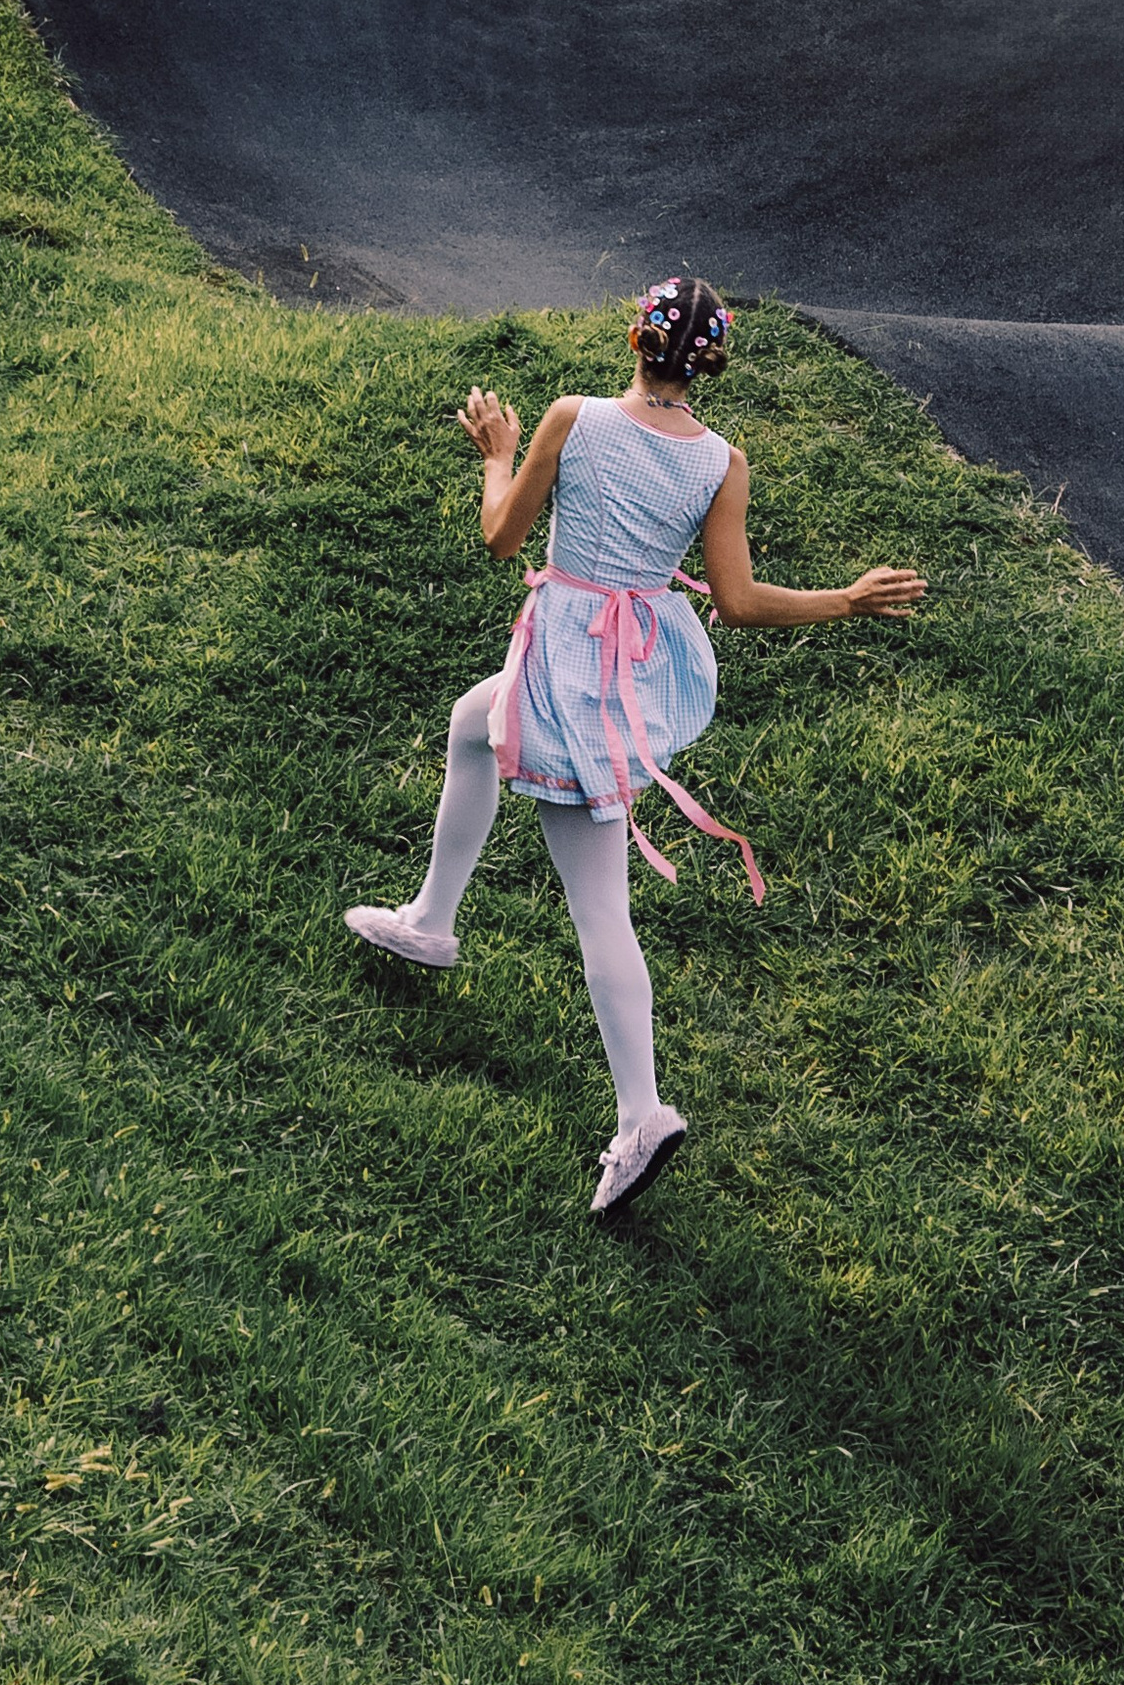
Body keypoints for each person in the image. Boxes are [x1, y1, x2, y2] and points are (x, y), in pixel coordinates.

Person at [345, 277, 926, 1214]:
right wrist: (844, 600)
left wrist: (497, 453)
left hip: (567, 669)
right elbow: (736, 604)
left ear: (633, 340)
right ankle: (430, 922)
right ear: (714, 365)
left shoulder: (573, 418)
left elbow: (503, 538)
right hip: (627, 669)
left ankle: (642, 1115)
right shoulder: (721, 464)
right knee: (471, 725)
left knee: (599, 909)